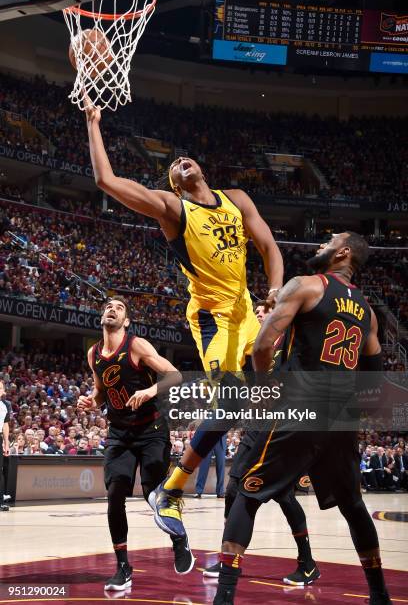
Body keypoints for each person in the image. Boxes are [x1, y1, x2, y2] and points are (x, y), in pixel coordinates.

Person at [85, 102, 283, 539]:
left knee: (278, 390)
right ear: (174, 184)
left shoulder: (237, 200)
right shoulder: (174, 210)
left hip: (248, 310)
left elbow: (270, 248)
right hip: (213, 318)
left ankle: (275, 469)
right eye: (173, 167)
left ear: (201, 169)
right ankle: (171, 490)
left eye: (184, 159)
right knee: (229, 401)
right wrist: (93, 123)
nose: (179, 162)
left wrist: (274, 293)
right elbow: (107, 181)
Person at [213, 232, 391, 605]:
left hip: (300, 405)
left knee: (245, 491)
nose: (320, 244)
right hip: (340, 418)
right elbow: (375, 376)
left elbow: (262, 345)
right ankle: (379, 596)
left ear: (342, 253)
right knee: (353, 505)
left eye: (329, 240)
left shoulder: (307, 285)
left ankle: (224, 597)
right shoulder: (369, 312)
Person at [77, 295, 191, 592]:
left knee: (155, 495)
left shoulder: (136, 345)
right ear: (102, 316)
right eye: (107, 306)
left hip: (151, 429)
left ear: (126, 320)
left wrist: (151, 390)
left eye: (119, 307)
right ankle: (123, 567)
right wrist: (92, 401)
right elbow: (102, 390)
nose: (111, 309)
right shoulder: (93, 354)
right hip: (119, 433)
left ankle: (179, 540)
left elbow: (175, 375)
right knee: (115, 494)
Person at [204, 302, 319, 586]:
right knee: (233, 490)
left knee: (283, 496)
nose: (258, 313)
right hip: (254, 427)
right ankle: (229, 558)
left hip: (282, 427)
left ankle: (307, 563)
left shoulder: (289, 340)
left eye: (264, 309)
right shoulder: (254, 346)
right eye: (255, 311)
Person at [195, 435, 227, 499]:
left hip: (220, 439)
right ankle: (199, 491)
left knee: (221, 467)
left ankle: (220, 492)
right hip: (208, 438)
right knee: (204, 466)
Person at [0, 380, 11, 511]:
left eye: (0, 387)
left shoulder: (4, 405)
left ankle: (1, 501)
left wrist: (6, 442)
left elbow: (6, 425)